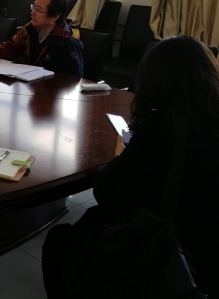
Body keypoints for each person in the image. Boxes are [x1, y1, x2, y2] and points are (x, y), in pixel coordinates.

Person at [42, 36, 219, 298]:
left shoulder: (163, 126)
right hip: (209, 251)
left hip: (172, 257)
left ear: (155, 79)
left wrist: (121, 155)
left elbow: (108, 195)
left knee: (60, 242)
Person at [0, 0, 83, 77]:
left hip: (50, 90)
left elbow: (73, 79)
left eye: (38, 10)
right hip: (29, 84)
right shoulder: (30, 28)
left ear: (54, 17)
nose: (32, 13)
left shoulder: (67, 41)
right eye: (34, 7)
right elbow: (12, 47)